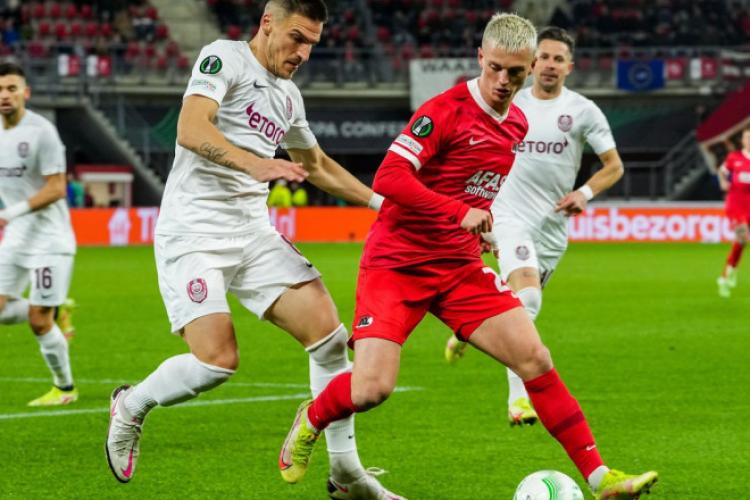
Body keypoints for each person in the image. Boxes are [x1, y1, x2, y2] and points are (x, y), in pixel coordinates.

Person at [279, 14, 657, 499]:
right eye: (495, 68)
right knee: (372, 388)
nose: (503, 81)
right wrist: (458, 213)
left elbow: (476, 186)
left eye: (514, 73)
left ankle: (601, 478)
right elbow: (389, 179)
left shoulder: (517, 122)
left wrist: (483, 229)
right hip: (398, 263)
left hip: (458, 267)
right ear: (480, 57)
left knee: (535, 358)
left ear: (528, 69)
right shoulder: (445, 111)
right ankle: (311, 417)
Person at [104, 2, 404, 498]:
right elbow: (191, 128)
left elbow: (317, 165)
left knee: (330, 338)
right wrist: (254, 164)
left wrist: (382, 205)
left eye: (312, 44)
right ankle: (131, 405)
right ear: (268, 23)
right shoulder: (224, 58)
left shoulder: (288, 96)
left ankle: (346, 473)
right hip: (194, 234)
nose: (303, 53)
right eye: (296, 38)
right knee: (217, 361)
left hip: (252, 233)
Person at [444, 26, 624, 427]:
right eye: (543, 57)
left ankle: (468, 328)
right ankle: (518, 400)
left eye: (559, 59)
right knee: (528, 299)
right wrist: (478, 212)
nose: (550, 65)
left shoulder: (583, 111)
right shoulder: (510, 102)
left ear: (569, 67)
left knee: (518, 303)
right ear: (531, 62)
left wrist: (585, 193)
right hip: (508, 216)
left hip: (553, 228)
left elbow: (614, 166)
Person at [0, 62, 78, 406]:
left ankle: (65, 388)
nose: (5, 95)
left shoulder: (42, 132)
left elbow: (57, 188)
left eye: (11, 88)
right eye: (0, 90)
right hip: (17, 237)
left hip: (49, 239)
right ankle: (57, 308)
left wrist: (8, 214)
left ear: (25, 93)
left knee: (38, 321)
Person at [717, 126, 750, 297]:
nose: (749, 141)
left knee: (741, 242)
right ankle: (729, 273)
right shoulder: (734, 158)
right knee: (743, 237)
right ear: (742, 141)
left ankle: (727, 274)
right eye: (747, 138)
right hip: (736, 204)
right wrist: (723, 182)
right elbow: (722, 171)